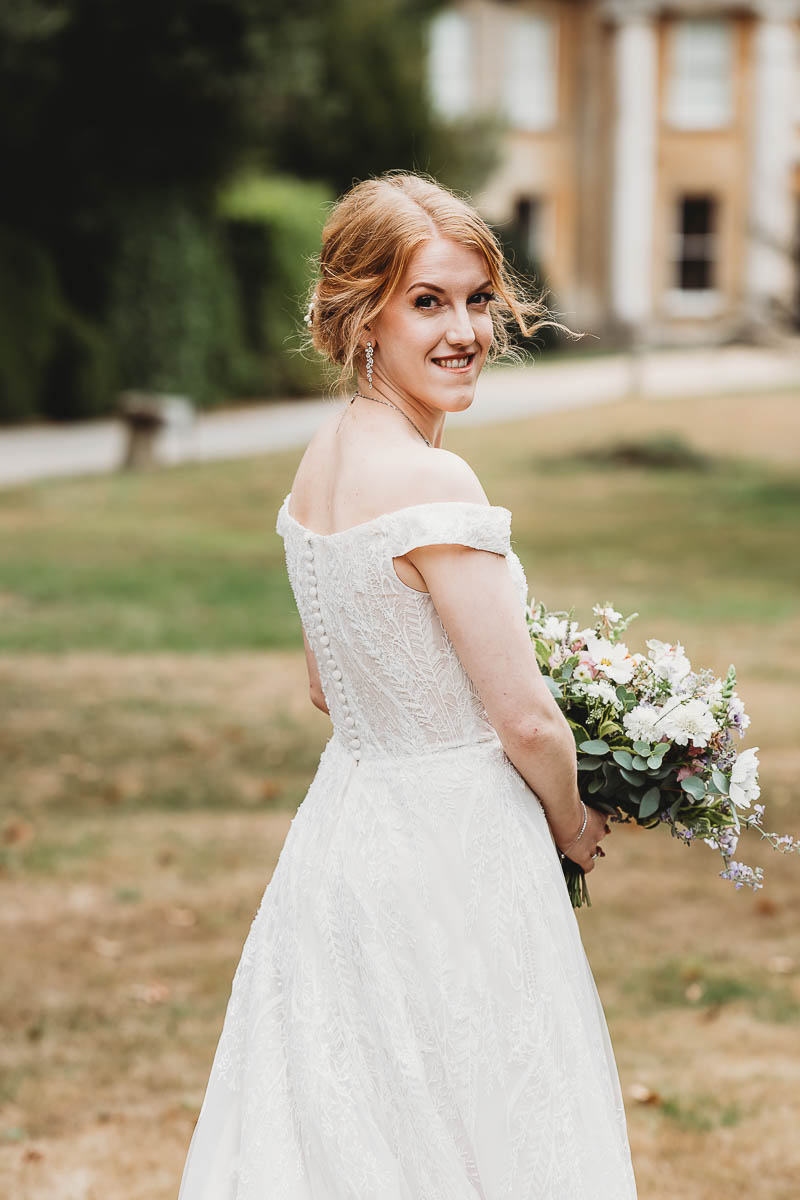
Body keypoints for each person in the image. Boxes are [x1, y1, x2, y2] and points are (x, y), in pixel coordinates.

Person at [177, 171, 638, 1198]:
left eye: (476, 299)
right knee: (481, 1130)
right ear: (360, 314)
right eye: (427, 301)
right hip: (453, 854)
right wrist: (568, 819)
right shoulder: (433, 482)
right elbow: (523, 717)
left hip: (345, 838)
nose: (464, 329)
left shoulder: (322, 457)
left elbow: (324, 686)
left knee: (355, 1131)